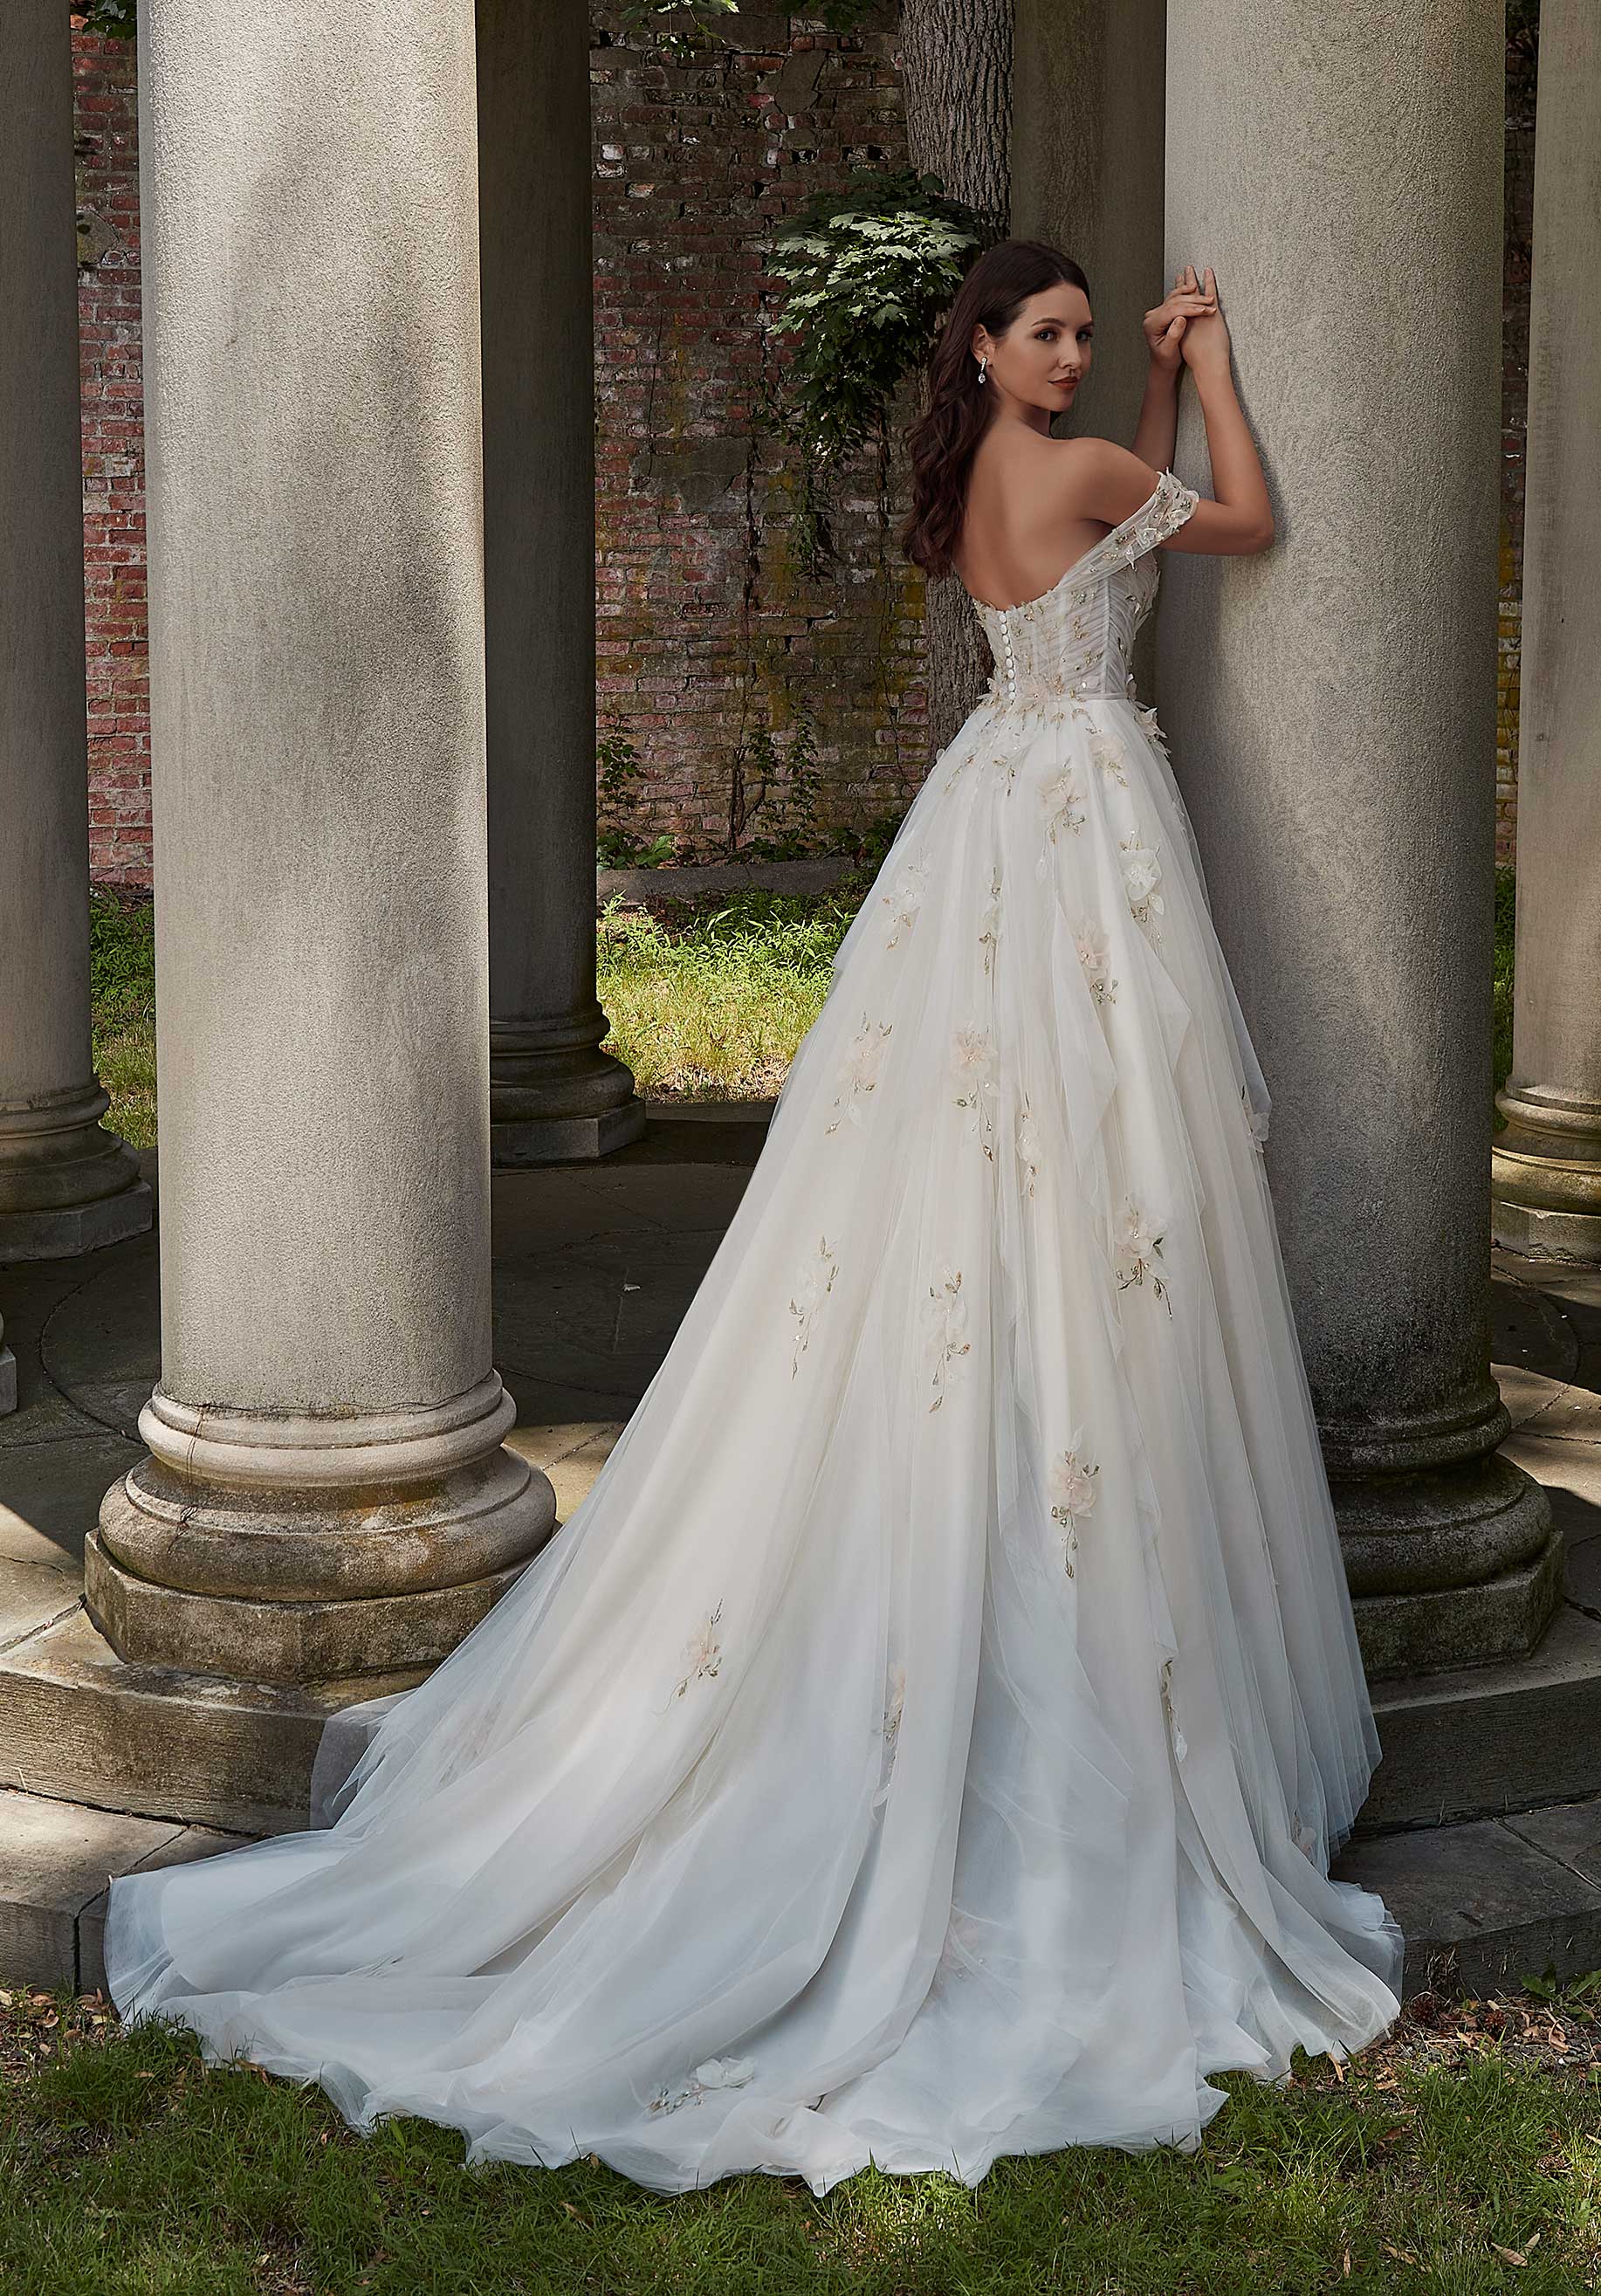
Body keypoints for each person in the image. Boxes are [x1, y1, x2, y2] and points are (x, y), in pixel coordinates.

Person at [103, 237, 1403, 2196]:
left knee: (979, 1181)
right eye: (1046, 332)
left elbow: (1108, 559)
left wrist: (1134, 383)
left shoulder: (991, 471)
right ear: (984, 342)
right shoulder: (1076, 467)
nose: (1068, 353)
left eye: (1080, 334)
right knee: (1085, 1176)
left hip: (994, 815)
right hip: (1069, 831)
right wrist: (1206, 364)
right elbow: (1242, 519)